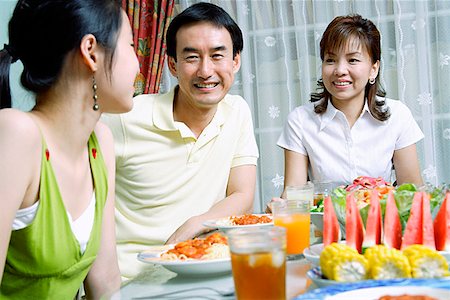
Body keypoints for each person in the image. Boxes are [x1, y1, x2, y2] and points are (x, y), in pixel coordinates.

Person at [102, 2, 258, 279]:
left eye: (217, 55)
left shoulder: (237, 112)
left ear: (236, 61)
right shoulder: (125, 118)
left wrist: (195, 224)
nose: (206, 71)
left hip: (201, 268)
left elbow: (242, 194)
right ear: (172, 64)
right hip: (132, 281)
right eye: (192, 57)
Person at [0, 0, 139, 298]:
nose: (139, 63)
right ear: (91, 52)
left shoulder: (99, 142)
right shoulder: (15, 134)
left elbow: (105, 281)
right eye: (129, 45)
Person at [276, 14, 423, 200]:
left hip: (381, 224)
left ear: (373, 69)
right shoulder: (300, 120)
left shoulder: (398, 115)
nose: (339, 70)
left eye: (352, 60)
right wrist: (281, 208)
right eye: (330, 60)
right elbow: (294, 195)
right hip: (325, 226)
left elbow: (411, 193)